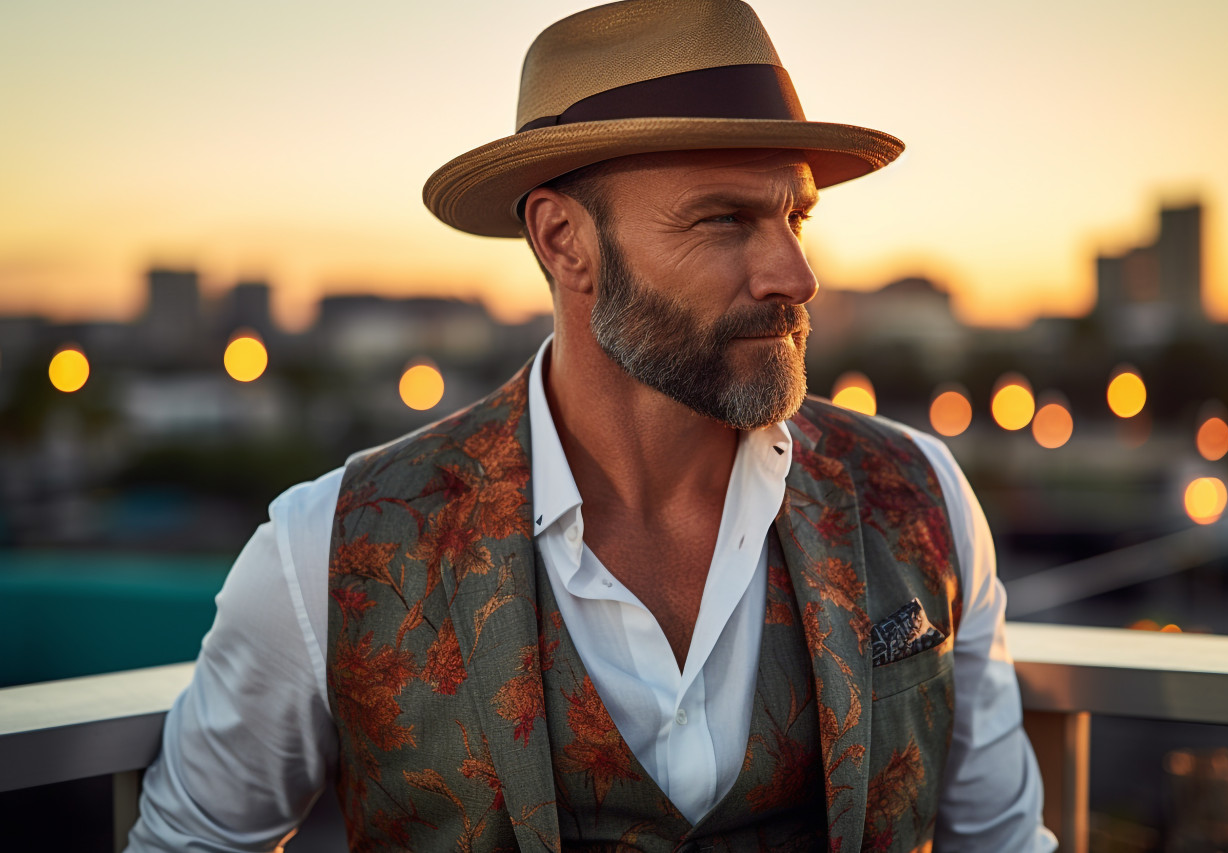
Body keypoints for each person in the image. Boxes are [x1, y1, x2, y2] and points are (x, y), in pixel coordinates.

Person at [127, 0, 1056, 850]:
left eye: (794, 216)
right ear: (563, 240)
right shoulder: (328, 549)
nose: (793, 274)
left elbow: (1003, 841)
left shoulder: (918, 497)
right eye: (724, 219)